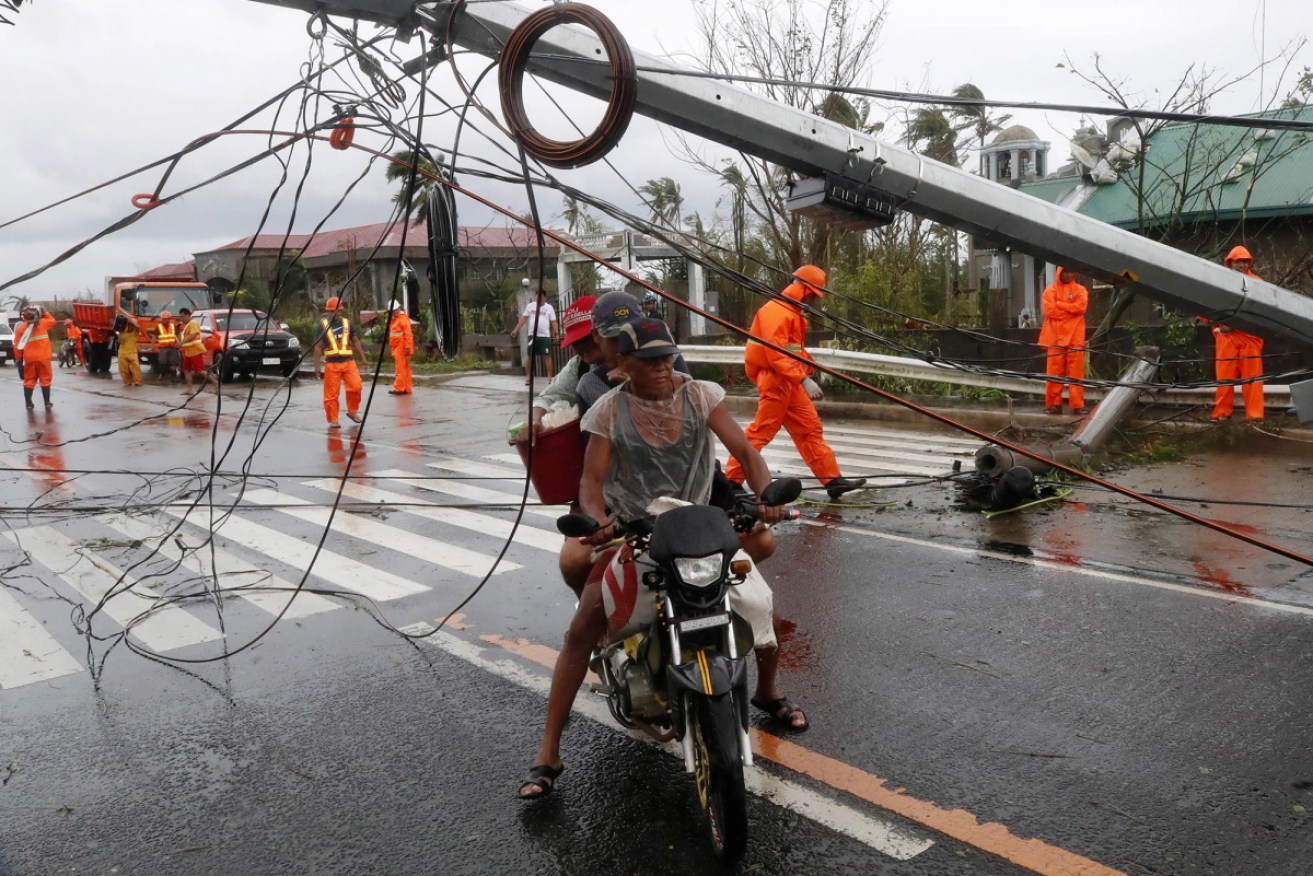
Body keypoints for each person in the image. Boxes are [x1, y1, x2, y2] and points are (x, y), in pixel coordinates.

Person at [517, 318, 806, 799]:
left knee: (760, 610)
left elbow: (746, 452)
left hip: (699, 527)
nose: (663, 366)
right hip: (636, 531)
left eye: (667, 356)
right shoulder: (608, 411)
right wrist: (597, 519)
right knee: (581, 631)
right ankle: (548, 751)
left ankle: (767, 692)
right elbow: (591, 482)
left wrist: (765, 494)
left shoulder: (701, 396)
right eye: (650, 360)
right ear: (624, 365)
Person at [724, 265, 866, 502]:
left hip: (789, 381)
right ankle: (732, 481)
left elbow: (792, 351)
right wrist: (803, 378)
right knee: (761, 432)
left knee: (810, 430)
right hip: (776, 380)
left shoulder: (791, 312)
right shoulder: (777, 312)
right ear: (803, 289)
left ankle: (832, 481)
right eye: (813, 294)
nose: (813, 300)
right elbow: (775, 353)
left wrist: (807, 368)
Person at [1205, 245, 1266, 422]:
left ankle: (1255, 416)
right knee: (1224, 379)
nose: (1242, 265)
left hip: (1250, 338)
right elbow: (1205, 310)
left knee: (1252, 380)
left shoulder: (1258, 284)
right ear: (1230, 262)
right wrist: (1217, 323)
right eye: (1238, 261)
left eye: (1245, 261)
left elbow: (1261, 313)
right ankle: (1222, 414)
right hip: (1226, 339)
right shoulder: (1219, 283)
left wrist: (1234, 325)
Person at [1038, 266, 1089, 415]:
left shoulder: (1081, 290)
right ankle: (1054, 404)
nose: (1069, 274)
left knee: (1076, 373)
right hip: (1055, 337)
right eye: (1066, 271)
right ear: (1060, 272)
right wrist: (1071, 312)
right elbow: (1049, 311)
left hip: (1075, 337)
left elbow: (1081, 308)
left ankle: (1077, 405)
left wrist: (1060, 305)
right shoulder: (1050, 291)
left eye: (1071, 271)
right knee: (1053, 373)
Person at [312, 297, 367, 429]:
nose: (337, 313)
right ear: (328, 312)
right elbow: (318, 347)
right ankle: (333, 420)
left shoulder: (347, 323)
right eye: (334, 311)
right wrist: (317, 366)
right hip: (332, 364)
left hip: (349, 362)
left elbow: (355, 341)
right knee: (331, 395)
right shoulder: (322, 326)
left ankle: (352, 412)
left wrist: (363, 358)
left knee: (356, 387)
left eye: (339, 311)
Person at [512, 286, 558, 384]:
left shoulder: (549, 308)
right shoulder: (530, 306)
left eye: (540, 297)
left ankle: (550, 377)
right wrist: (516, 330)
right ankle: (528, 377)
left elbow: (553, 322)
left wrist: (556, 333)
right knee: (530, 356)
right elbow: (523, 319)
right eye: (537, 297)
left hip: (544, 336)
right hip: (532, 336)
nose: (538, 299)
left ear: (544, 297)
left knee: (547, 356)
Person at [20, 307, 57, 409]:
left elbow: (17, 347)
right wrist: (46, 312)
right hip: (43, 358)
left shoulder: (21, 328)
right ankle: (47, 402)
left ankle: (28, 403)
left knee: (29, 381)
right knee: (45, 379)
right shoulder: (43, 323)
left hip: (30, 359)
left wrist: (18, 360)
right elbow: (53, 321)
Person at [177, 308, 219, 395]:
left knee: (200, 370)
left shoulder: (193, 323)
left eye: (183, 316)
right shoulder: (188, 325)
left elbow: (193, 335)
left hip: (195, 350)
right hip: (189, 351)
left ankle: (216, 382)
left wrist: (182, 342)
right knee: (186, 369)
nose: (181, 319)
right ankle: (190, 389)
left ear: (188, 315)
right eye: (180, 317)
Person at [385, 300, 415, 395]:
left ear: (398, 308)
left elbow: (408, 335)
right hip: (399, 348)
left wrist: (407, 348)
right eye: (392, 311)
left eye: (395, 310)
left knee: (401, 369)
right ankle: (406, 388)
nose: (394, 312)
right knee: (404, 368)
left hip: (401, 348)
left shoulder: (401, 319)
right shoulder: (396, 319)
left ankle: (399, 388)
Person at [116, 310, 143, 387]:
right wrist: (119, 335)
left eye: (132, 325)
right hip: (122, 353)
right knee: (123, 369)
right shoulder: (122, 332)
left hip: (132, 353)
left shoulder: (135, 332)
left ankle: (137, 381)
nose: (131, 327)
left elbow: (138, 327)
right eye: (130, 325)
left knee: (136, 368)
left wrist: (130, 319)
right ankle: (127, 381)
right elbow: (119, 341)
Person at [155, 310, 180, 383]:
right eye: (163, 319)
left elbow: (178, 334)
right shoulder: (158, 327)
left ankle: (174, 376)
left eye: (165, 319)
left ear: (169, 319)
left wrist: (179, 342)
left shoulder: (173, 326)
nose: (164, 320)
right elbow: (155, 336)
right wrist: (154, 345)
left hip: (172, 347)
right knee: (162, 362)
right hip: (163, 348)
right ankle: (162, 374)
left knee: (173, 362)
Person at [14, 309, 31, 381]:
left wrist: (18, 358)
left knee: (29, 380)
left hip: (28, 355)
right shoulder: (40, 325)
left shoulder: (21, 328)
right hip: (41, 356)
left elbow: (17, 345)